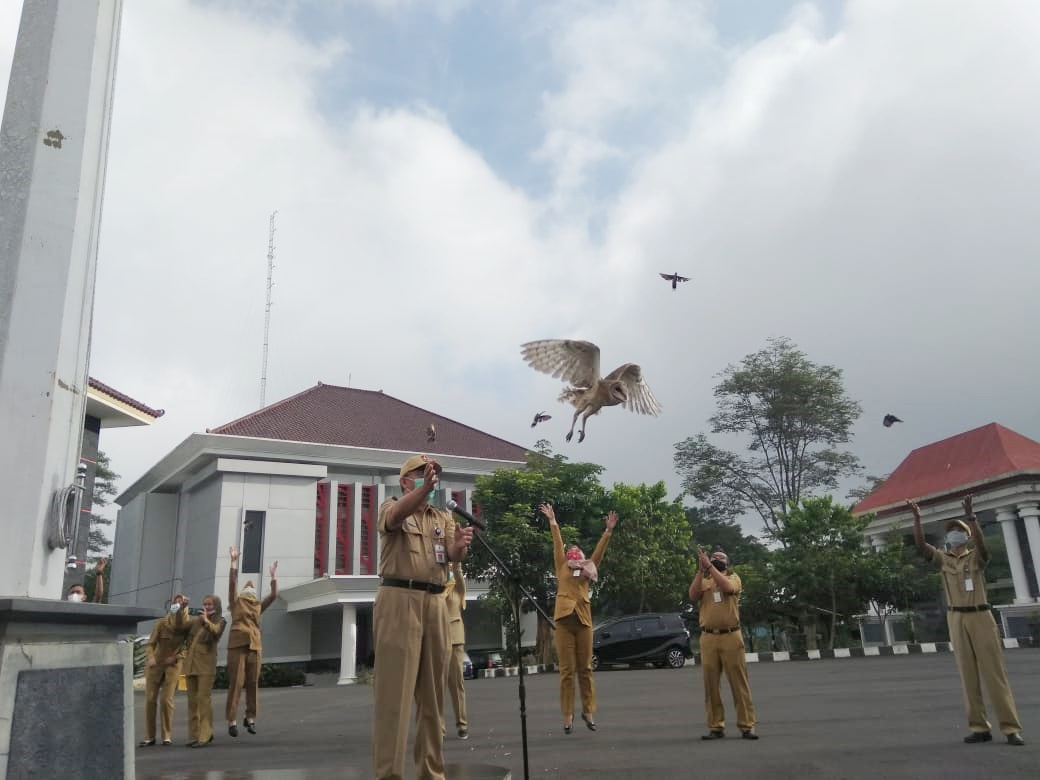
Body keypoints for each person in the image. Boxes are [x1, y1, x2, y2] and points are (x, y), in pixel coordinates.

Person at [372, 453, 474, 780]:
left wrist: (459, 547)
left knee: (433, 699)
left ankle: (432, 772)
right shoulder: (390, 505)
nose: (430, 479)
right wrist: (420, 492)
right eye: (422, 474)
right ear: (405, 481)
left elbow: (451, 556)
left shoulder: (441, 517)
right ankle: (390, 774)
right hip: (398, 600)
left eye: (433, 475)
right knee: (394, 698)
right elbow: (395, 518)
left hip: (435, 603)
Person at [907, 495, 1025, 746]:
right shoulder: (943, 559)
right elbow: (921, 545)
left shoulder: (976, 558)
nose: (953, 535)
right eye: (950, 532)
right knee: (967, 674)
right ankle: (979, 726)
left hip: (980, 615)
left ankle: (1010, 727)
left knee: (994, 674)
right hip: (956, 617)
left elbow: (983, 547)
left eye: (958, 531)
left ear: (967, 535)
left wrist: (971, 516)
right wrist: (917, 519)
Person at [539, 502, 616, 734]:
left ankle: (588, 710)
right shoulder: (561, 565)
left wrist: (608, 531)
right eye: (570, 551)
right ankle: (568, 715)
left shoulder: (587, 569)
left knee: (586, 668)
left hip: (583, 621)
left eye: (577, 552)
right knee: (566, 671)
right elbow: (557, 544)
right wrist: (553, 522)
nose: (573, 552)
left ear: (582, 556)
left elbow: (598, 554)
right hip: (563, 621)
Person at [688, 547, 757, 741]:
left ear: (727, 563)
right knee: (711, 685)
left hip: (731, 636)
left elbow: (726, 588)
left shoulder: (734, 578)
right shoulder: (705, 580)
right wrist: (701, 570)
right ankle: (716, 726)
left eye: (720, 557)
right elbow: (693, 595)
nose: (716, 558)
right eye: (713, 557)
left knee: (738, 683)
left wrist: (710, 565)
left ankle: (747, 726)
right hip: (708, 637)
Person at [225, 549, 278, 738]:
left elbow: (273, 596)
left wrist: (273, 577)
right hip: (238, 645)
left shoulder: (257, 606)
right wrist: (233, 562)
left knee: (253, 683)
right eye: (247, 589)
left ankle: (251, 717)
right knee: (236, 683)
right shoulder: (236, 602)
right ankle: (231, 720)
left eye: (252, 589)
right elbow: (232, 584)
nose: (250, 589)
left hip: (255, 646)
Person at [139, 593, 192, 747]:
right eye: (176, 601)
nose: (177, 603)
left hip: (173, 665)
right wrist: (151, 657)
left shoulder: (187, 625)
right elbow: (151, 643)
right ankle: (149, 736)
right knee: (150, 699)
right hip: (156, 664)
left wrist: (176, 657)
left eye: (181, 602)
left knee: (166, 700)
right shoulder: (162, 623)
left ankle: (166, 735)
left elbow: (188, 646)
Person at [184, 594, 227, 748]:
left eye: (210, 604)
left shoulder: (220, 621)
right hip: (191, 664)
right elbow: (179, 627)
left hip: (206, 666)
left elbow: (215, 632)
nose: (207, 607)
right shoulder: (196, 621)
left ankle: (205, 734)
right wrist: (182, 608)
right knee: (192, 701)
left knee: (203, 699)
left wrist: (206, 621)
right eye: (205, 604)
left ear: (216, 606)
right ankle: (194, 735)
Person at [443, 561, 468, 740]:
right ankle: (439, 728)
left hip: (455, 638)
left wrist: (457, 561)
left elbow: (459, 574)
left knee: (456, 682)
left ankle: (462, 724)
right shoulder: (436, 587)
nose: (449, 568)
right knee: (435, 685)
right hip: (436, 636)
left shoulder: (457, 588)